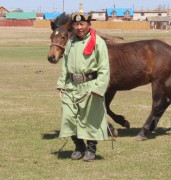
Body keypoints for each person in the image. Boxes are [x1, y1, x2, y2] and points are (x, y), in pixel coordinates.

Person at [56, 5, 110, 161]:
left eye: (82, 24)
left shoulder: (98, 43)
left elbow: (104, 68)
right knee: (68, 117)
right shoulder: (71, 42)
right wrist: (62, 83)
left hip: (90, 85)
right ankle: (79, 146)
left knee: (90, 119)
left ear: (89, 25)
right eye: (76, 24)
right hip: (72, 86)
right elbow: (65, 65)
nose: (79, 27)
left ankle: (91, 149)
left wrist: (98, 87)